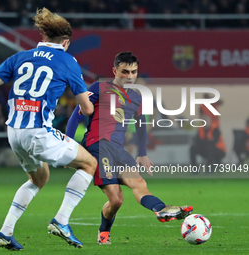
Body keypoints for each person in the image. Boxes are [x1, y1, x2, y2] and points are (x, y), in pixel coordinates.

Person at [0, 8, 97, 250]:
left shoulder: (21, 56)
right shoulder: (68, 61)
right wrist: (89, 97)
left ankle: (5, 232)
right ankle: (62, 220)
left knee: (39, 178)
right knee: (89, 164)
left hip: (14, 133)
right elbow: (87, 110)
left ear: (44, 37)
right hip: (39, 132)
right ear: (66, 42)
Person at [66, 52, 193, 245]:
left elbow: (141, 125)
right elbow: (77, 115)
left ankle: (161, 209)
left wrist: (142, 153)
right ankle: (104, 233)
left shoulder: (136, 97)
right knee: (116, 199)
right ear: (114, 70)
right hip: (98, 147)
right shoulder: (98, 88)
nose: (130, 76)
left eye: (133, 72)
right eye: (125, 71)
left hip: (118, 150)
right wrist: (67, 146)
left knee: (139, 184)